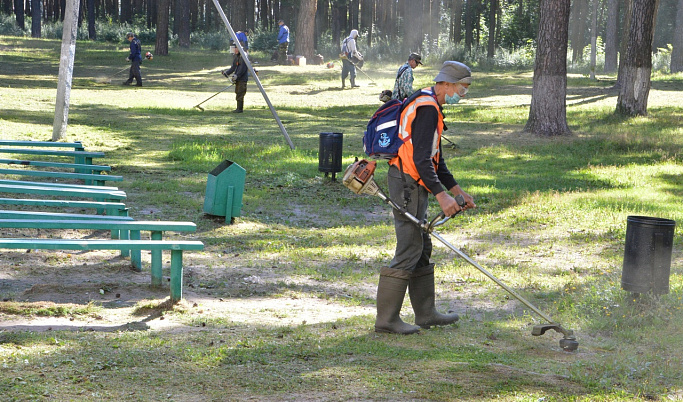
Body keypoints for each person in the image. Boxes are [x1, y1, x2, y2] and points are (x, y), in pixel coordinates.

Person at [375, 61, 477, 335]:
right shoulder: (428, 108)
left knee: (422, 245)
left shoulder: (430, 102)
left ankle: (426, 313)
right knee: (409, 246)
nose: (463, 94)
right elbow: (420, 160)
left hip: (413, 182)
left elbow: (435, 158)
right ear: (445, 84)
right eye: (461, 88)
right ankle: (387, 320)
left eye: (465, 89)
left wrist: (457, 191)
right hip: (406, 183)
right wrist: (442, 197)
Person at [221, 45, 249, 113]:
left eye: (235, 49)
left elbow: (242, 68)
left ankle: (240, 109)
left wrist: (237, 75)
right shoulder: (236, 56)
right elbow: (233, 67)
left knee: (240, 93)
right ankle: (238, 108)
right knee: (237, 92)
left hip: (242, 79)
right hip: (238, 78)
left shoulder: (243, 56)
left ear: (239, 48)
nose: (234, 51)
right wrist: (226, 73)